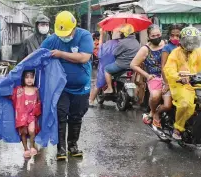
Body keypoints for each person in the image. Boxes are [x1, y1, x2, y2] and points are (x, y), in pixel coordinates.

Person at [40, 11, 93, 160]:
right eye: (61, 33)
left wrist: (61, 54)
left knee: (76, 116)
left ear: (74, 27)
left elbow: (84, 57)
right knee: (60, 116)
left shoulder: (84, 36)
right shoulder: (53, 40)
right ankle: (61, 149)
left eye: (67, 33)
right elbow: (38, 55)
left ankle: (73, 145)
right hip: (61, 88)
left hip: (82, 88)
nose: (64, 36)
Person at [164, 26, 201, 140]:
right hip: (180, 84)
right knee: (186, 104)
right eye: (188, 41)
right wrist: (179, 77)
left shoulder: (200, 52)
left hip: (198, 83)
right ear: (182, 41)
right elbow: (169, 69)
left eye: (194, 41)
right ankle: (178, 128)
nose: (191, 44)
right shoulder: (175, 53)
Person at [130, 24, 170, 127]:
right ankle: (152, 112)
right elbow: (133, 65)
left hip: (169, 76)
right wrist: (147, 75)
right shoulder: (145, 49)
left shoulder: (167, 45)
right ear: (149, 37)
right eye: (153, 36)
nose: (156, 37)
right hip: (154, 78)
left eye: (158, 35)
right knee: (156, 96)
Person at [10, 70, 42, 158]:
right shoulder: (20, 89)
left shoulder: (36, 90)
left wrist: (36, 111)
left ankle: (32, 146)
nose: (29, 79)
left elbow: (39, 101)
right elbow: (11, 96)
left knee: (32, 130)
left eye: (31, 77)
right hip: (21, 115)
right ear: (23, 78)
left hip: (32, 115)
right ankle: (25, 149)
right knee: (23, 133)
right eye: (27, 77)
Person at [103, 24, 140, 94]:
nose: (120, 34)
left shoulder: (123, 42)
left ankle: (110, 88)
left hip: (121, 65)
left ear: (124, 33)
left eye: (121, 32)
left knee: (106, 69)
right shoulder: (136, 42)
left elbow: (115, 53)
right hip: (133, 66)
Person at [89, 27, 121, 105]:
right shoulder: (123, 43)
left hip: (107, 66)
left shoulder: (108, 44)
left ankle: (91, 100)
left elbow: (100, 53)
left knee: (98, 84)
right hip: (121, 67)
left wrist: (101, 35)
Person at [161, 24, 183, 88]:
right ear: (169, 36)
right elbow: (163, 67)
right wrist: (166, 83)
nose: (175, 38)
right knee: (167, 98)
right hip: (169, 79)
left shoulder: (184, 47)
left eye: (177, 36)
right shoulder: (167, 47)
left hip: (182, 79)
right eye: (172, 35)